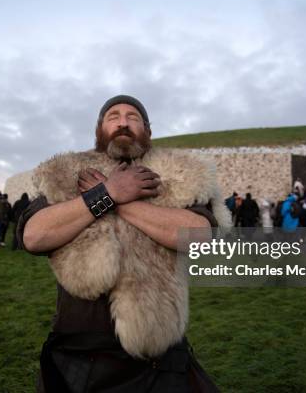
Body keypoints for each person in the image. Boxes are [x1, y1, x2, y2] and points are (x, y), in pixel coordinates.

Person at [17, 95, 228, 392]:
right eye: (113, 116)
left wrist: (115, 199)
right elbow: (34, 236)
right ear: (99, 130)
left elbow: (200, 235)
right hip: (78, 352)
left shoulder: (182, 174)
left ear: (148, 130)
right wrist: (107, 193)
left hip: (159, 355)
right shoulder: (64, 172)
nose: (123, 122)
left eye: (133, 117)